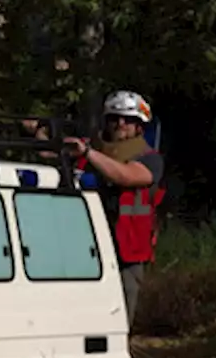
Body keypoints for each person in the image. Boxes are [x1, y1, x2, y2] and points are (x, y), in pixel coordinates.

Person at [63, 90, 165, 324]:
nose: (121, 124)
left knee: (118, 322)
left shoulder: (149, 158)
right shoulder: (87, 152)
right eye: (114, 118)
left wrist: (89, 154)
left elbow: (127, 176)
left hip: (126, 254)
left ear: (140, 126)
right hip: (84, 252)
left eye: (129, 120)